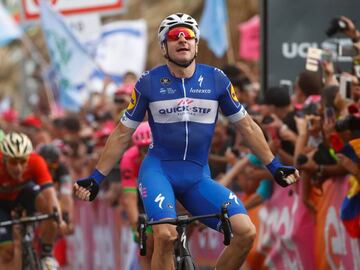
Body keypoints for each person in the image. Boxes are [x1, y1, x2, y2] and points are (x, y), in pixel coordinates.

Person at [74, 13, 300, 270]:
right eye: (174, 35)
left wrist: (275, 165)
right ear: (164, 46)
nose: (182, 39)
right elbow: (122, 133)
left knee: (246, 232)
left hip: (197, 177)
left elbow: (246, 126)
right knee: (166, 236)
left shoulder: (217, 80)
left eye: (188, 35)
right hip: (159, 171)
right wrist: (96, 178)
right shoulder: (149, 83)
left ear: (195, 43)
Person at [0, 132, 65, 270]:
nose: (18, 168)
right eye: (13, 161)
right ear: (4, 159)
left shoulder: (36, 161)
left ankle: (46, 254)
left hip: (24, 192)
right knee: (7, 252)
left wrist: (57, 215)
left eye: (23, 161)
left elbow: (50, 192)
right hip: (1, 202)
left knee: (50, 209)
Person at [120, 121, 153, 269]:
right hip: (143, 197)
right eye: (143, 149)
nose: (147, 153)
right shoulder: (129, 158)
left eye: (150, 147)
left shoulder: (169, 151)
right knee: (147, 248)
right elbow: (130, 199)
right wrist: (136, 228)